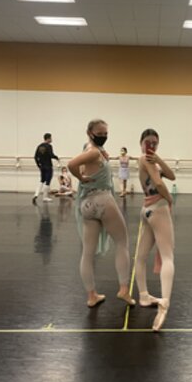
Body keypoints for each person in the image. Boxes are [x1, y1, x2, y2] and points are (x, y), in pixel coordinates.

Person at [68, 119, 135, 308]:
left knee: (87, 253)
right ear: (90, 133)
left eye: (106, 133)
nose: (104, 136)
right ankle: (124, 289)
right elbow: (71, 164)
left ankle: (92, 296)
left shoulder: (90, 149)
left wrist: (100, 155)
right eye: (100, 133)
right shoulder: (94, 152)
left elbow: (87, 155)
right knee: (122, 242)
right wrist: (80, 177)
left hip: (87, 204)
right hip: (102, 199)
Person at [135, 128, 176, 332]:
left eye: (155, 143)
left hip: (147, 209)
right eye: (148, 142)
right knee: (168, 257)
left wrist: (158, 158)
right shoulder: (145, 159)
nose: (151, 146)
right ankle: (164, 303)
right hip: (158, 208)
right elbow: (159, 182)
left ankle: (143, 296)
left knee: (141, 256)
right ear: (141, 143)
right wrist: (169, 198)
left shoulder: (149, 160)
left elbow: (171, 175)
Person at [33, 133, 59, 204]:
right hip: (48, 166)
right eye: (51, 138)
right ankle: (45, 197)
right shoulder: (49, 146)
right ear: (48, 138)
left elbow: (35, 156)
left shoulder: (39, 146)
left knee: (42, 180)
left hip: (42, 166)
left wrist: (38, 165)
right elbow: (51, 155)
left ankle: (36, 194)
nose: (51, 139)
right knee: (47, 181)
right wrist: (56, 157)